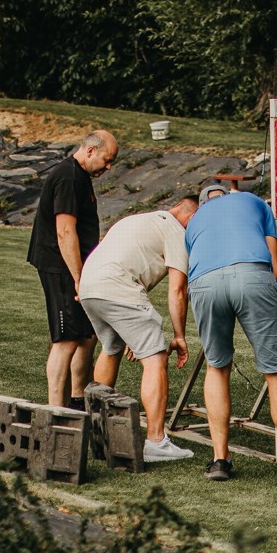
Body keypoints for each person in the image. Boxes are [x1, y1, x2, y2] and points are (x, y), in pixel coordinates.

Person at [184, 182, 277, 482]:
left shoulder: (194, 222)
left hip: (203, 284)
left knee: (217, 368)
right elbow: (276, 267)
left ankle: (220, 459)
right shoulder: (253, 201)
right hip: (252, 275)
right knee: (276, 372)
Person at [78, 198, 199, 463]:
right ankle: (157, 442)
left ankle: (99, 432)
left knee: (111, 349)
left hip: (89, 287)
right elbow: (178, 290)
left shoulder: (141, 219)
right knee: (156, 358)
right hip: (117, 287)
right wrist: (179, 336)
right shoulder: (177, 232)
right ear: (191, 218)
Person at [26, 129, 119, 408]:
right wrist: (78, 278)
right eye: (107, 159)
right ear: (90, 151)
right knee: (65, 339)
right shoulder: (68, 176)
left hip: (76, 267)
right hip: (60, 266)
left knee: (86, 335)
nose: (108, 167)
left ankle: (78, 400)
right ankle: (55, 412)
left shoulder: (80, 175)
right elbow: (65, 231)